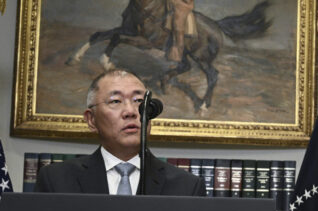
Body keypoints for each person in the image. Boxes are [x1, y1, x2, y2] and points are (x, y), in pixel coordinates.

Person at [35, 69, 205, 196]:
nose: (130, 111)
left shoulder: (187, 186)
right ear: (91, 120)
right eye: (116, 101)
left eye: (138, 101)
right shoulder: (56, 180)